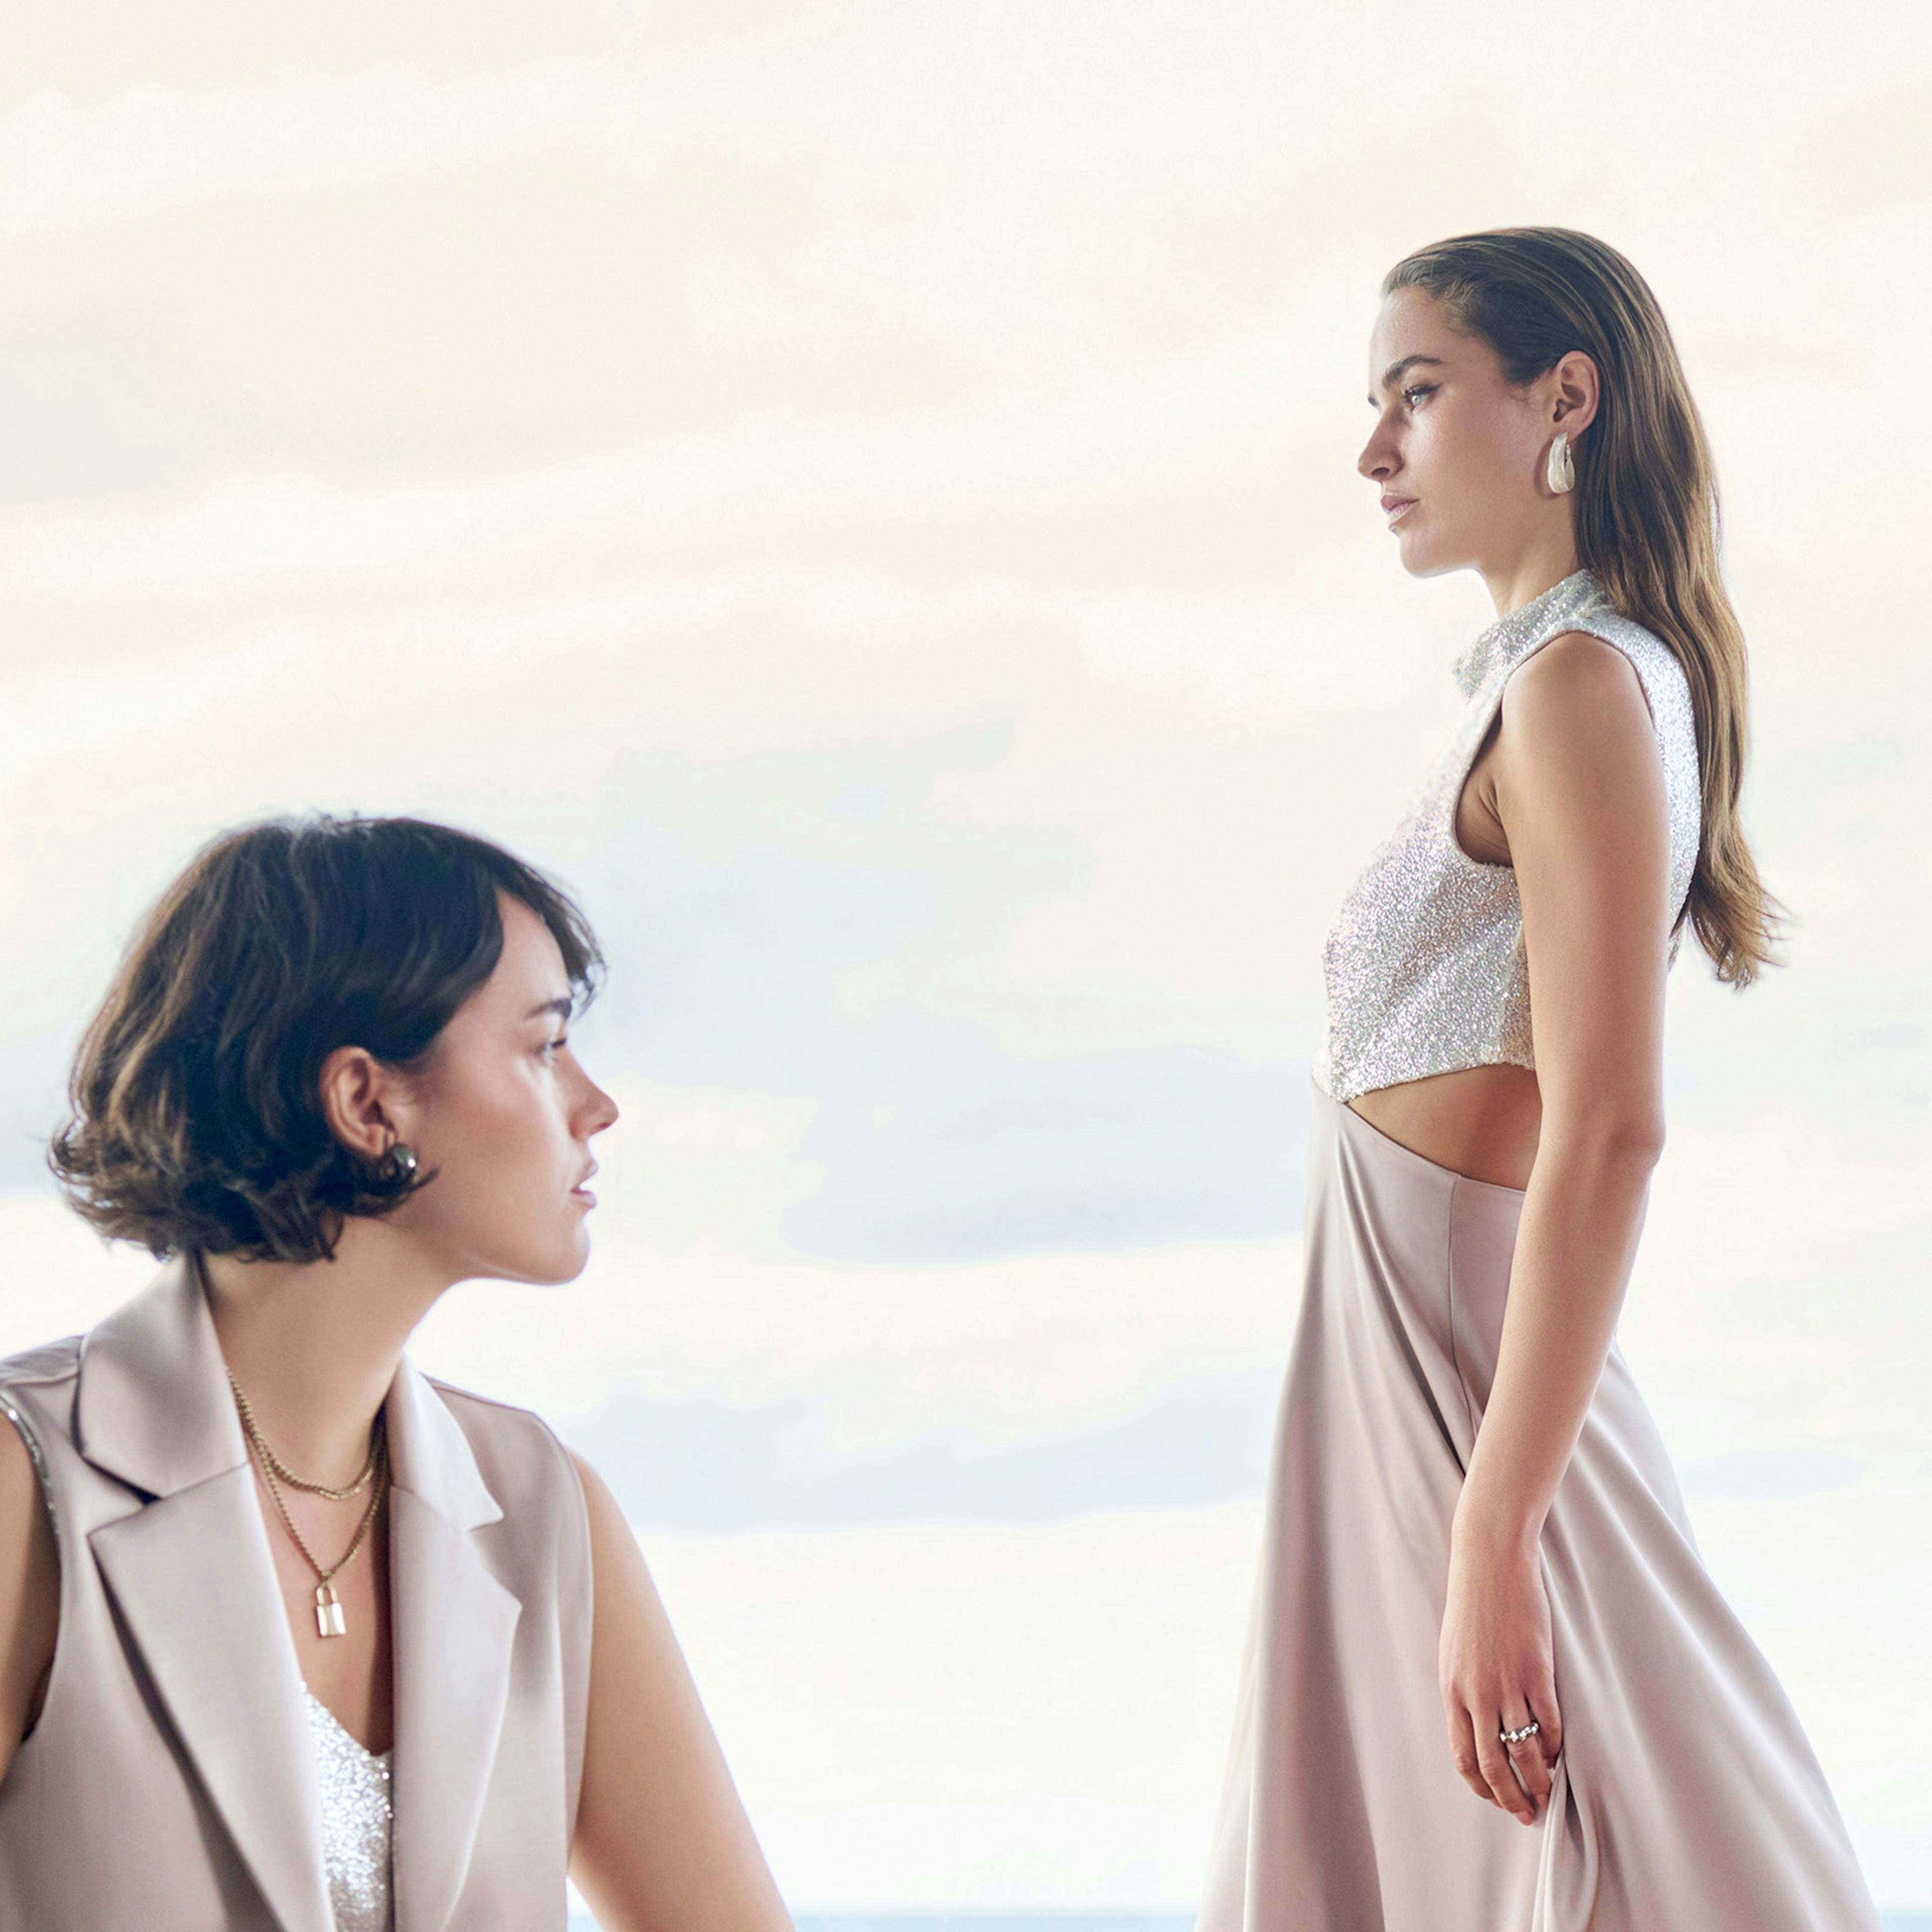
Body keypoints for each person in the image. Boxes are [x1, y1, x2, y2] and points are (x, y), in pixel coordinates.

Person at [1195, 228, 1881, 1930]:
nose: (1375, 453)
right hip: (1412, 1387)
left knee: (1615, 1857)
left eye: (1415, 398)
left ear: (1564, 396)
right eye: (1376, 408)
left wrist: (1495, 1538)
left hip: (1468, 1401)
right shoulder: (1559, 682)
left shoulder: (1583, 684)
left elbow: (1616, 1126)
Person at [0, 814, 793, 1932]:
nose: (594, 1104)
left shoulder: (543, 1508)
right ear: (369, 1104)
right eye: (542, 1046)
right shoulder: (25, 1486)